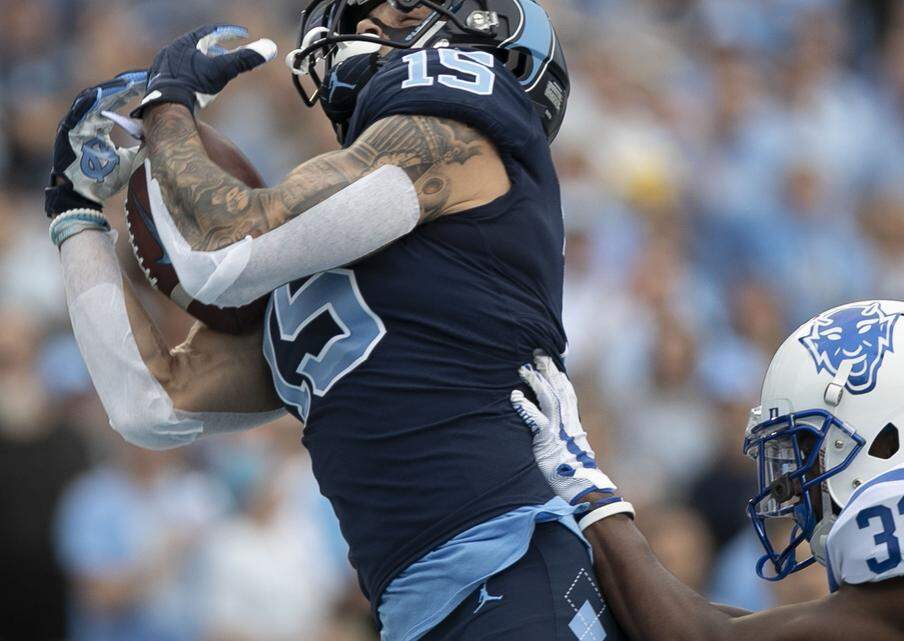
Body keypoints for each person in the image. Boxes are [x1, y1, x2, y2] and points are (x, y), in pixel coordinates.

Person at [43, 2, 624, 639]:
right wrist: (76, 211)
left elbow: (221, 245)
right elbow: (150, 403)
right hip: (417, 607)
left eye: (398, 7)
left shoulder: (463, 133)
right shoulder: (337, 256)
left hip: (513, 565)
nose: (366, 22)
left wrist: (167, 105)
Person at [513, 301, 904, 641]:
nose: (791, 484)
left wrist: (588, 490)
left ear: (891, 433)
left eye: (806, 448)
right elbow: (764, 630)